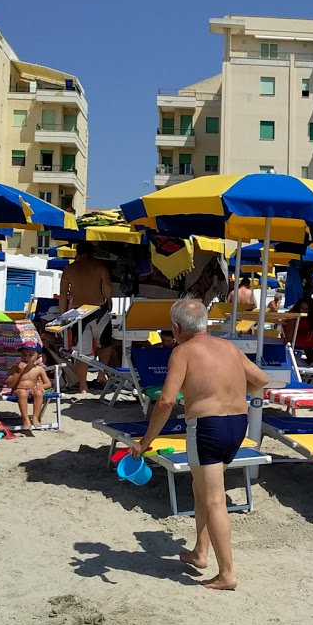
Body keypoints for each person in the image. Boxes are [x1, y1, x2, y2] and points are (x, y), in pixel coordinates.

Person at [134, 298, 267, 590]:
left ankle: (227, 574)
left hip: (208, 428)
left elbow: (166, 400)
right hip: (236, 425)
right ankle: (200, 552)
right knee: (202, 488)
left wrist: (146, 441)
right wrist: (228, 391)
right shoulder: (229, 347)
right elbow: (260, 379)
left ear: (177, 328)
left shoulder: (183, 352)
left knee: (214, 499)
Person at [60, 241, 115, 392]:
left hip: (79, 312)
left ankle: (83, 386)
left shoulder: (69, 269)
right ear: (92, 252)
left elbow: (63, 294)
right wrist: (109, 302)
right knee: (104, 344)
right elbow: (107, 287)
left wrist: (62, 314)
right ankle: (101, 375)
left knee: (81, 352)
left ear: (78, 252)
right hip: (98, 309)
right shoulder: (100, 267)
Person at [2, 343, 51, 434]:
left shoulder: (39, 369)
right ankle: (25, 419)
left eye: (30, 355)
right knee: (23, 393)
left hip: (32, 389)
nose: (26, 358)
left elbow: (48, 383)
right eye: (23, 355)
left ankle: (35, 417)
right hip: (18, 390)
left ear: (38, 356)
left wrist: (41, 386)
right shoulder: (15, 368)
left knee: (39, 392)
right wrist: (18, 372)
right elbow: (9, 385)